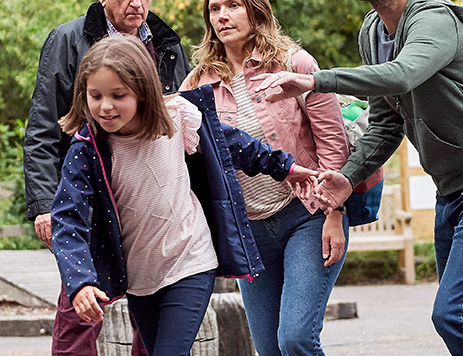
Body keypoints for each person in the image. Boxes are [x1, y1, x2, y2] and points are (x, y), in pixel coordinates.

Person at [254, 0, 463, 356]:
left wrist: (314, 81)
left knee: (456, 316)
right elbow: (385, 122)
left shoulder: (434, 17)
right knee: (460, 321)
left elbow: (404, 75)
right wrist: (347, 176)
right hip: (452, 191)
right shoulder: (373, 31)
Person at [52, 35, 317, 356]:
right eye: (95, 96)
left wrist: (284, 167)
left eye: (118, 95)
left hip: (190, 260)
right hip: (141, 278)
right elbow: (68, 218)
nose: (105, 106)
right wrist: (79, 281)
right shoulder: (87, 148)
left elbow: (233, 143)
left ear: (142, 92)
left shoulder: (177, 116)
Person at [181, 0, 363, 356]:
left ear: (256, 10)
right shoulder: (197, 84)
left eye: (233, 5)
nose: (222, 16)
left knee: (295, 340)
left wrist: (334, 213)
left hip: (308, 214)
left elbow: (332, 143)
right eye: (214, 9)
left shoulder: (295, 64)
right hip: (249, 231)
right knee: (268, 349)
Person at [22, 0, 189, 355]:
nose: (138, 2)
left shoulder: (166, 44)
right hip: (93, 198)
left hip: (156, 200)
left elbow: (186, 127)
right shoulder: (67, 40)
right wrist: (45, 204)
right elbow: (44, 128)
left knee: (152, 317)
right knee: (79, 312)